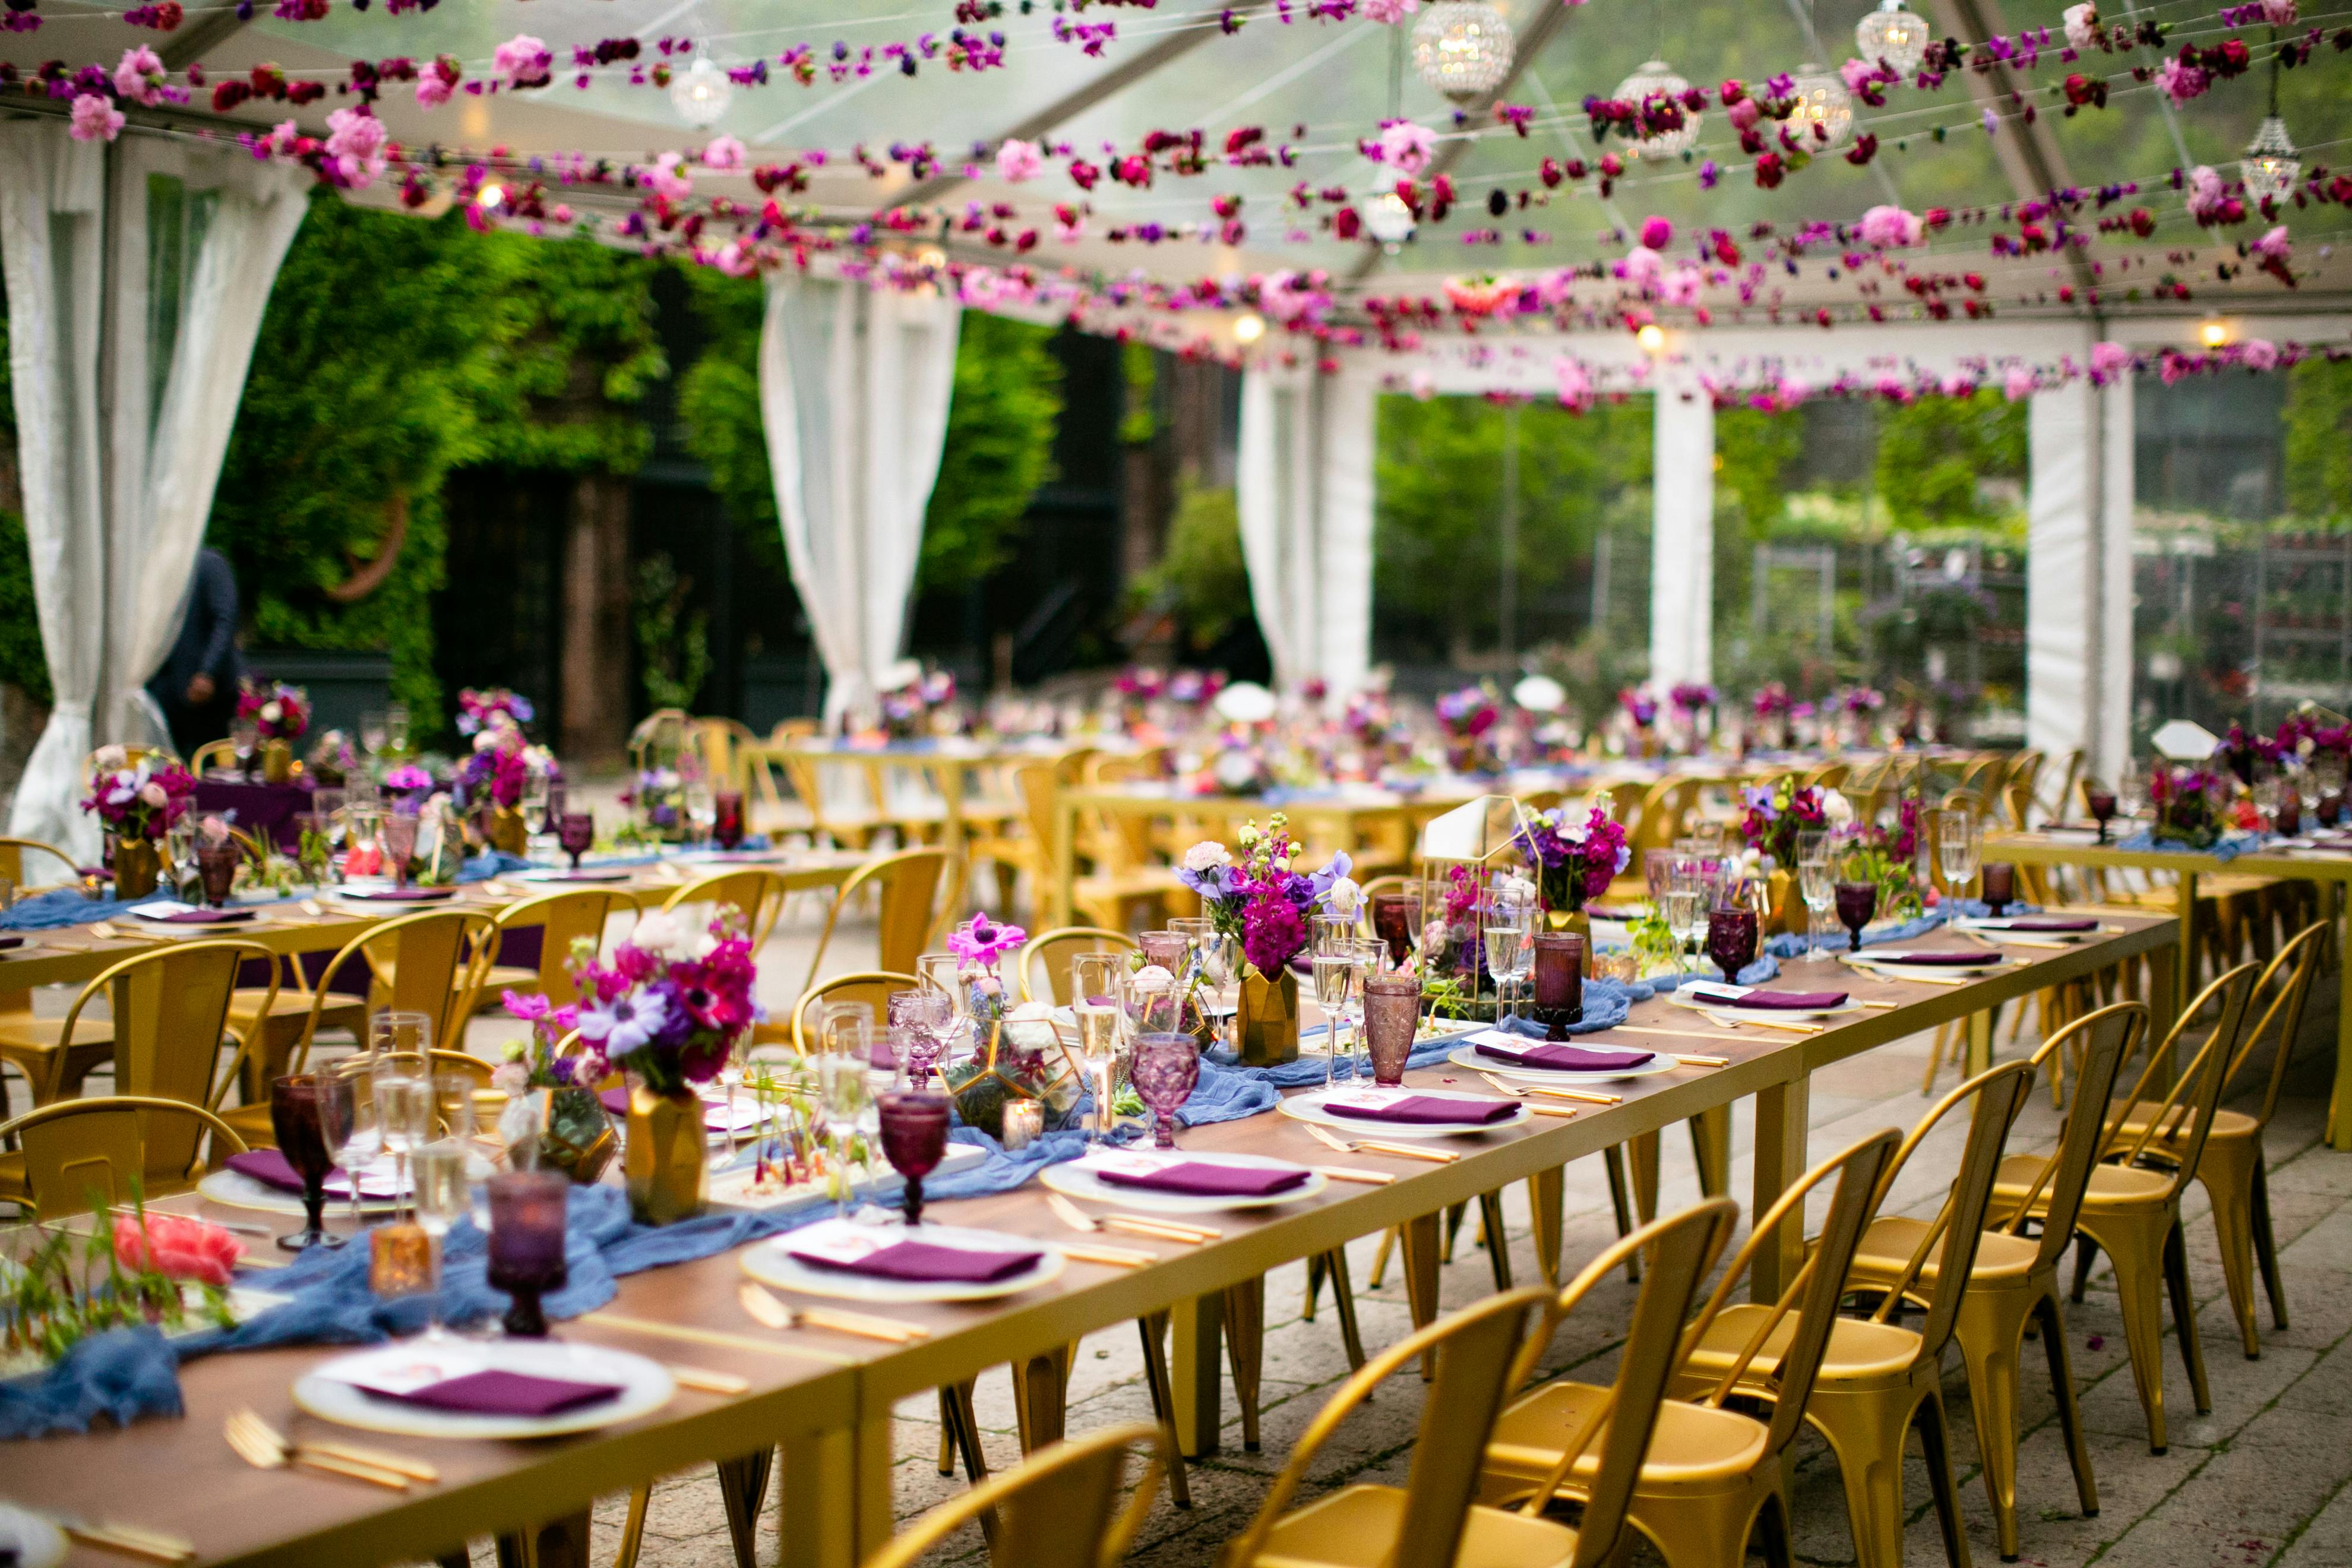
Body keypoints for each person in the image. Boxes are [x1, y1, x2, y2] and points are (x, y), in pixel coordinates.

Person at [148, 546, 241, 756]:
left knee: (213, 768)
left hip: (211, 694)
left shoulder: (210, 564)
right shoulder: (158, 569)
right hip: (165, 690)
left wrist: (208, 672)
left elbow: (225, 621)